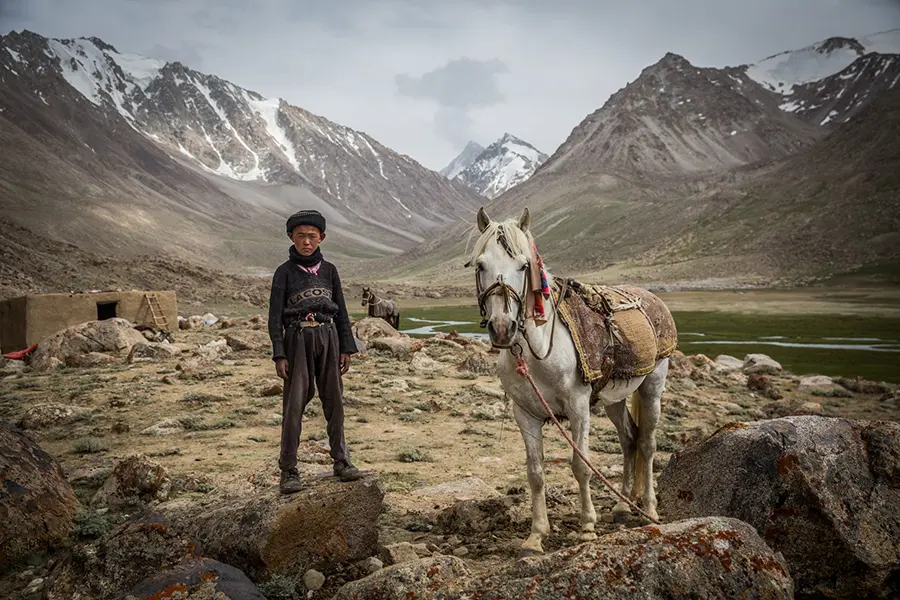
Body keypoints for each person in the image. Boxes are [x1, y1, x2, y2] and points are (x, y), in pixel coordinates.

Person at [268, 209, 362, 494]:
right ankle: (289, 469)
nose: (306, 242)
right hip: (297, 339)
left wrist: (346, 348)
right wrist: (279, 353)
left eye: (312, 236)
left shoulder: (330, 271)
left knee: (334, 401)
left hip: (329, 337)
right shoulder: (283, 273)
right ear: (291, 238)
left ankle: (341, 460)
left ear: (322, 238)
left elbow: (342, 311)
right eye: (300, 236)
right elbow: (274, 318)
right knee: (294, 405)